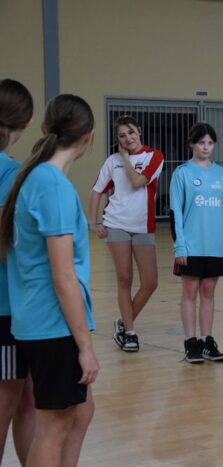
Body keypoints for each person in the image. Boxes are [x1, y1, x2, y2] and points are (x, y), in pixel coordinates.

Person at [0, 93, 99, 467]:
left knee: (81, 411)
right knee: (53, 427)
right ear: (88, 137)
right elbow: (63, 277)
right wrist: (85, 346)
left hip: (39, 321)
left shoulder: (36, 176)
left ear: (44, 129)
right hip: (53, 325)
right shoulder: (52, 186)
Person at [88, 115, 164, 352]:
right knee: (125, 279)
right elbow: (97, 191)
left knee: (150, 282)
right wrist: (93, 222)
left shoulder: (154, 156)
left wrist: (125, 159)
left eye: (131, 132)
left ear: (139, 131)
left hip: (143, 226)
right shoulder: (112, 161)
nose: (127, 138)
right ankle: (130, 332)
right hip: (117, 224)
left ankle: (123, 320)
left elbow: (138, 182)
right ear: (118, 139)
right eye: (122, 136)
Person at [170, 123, 223, 364]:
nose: (205, 147)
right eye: (201, 143)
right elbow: (176, 214)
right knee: (190, 292)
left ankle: (207, 341)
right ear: (192, 144)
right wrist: (180, 247)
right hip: (191, 246)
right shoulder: (182, 173)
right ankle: (191, 343)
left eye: (210, 143)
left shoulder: (222, 174)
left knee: (208, 292)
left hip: (215, 247)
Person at [0, 78, 35, 465]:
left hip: (14, 312)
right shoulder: (9, 171)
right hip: (6, 308)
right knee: (6, 402)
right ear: (24, 122)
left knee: (27, 397)